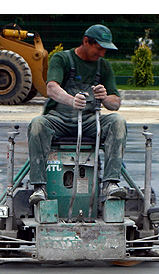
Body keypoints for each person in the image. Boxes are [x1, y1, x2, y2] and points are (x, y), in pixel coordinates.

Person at [27, 24, 127, 205]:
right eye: (99, 48)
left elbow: (115, 103)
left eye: (105, 49)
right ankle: (39, 187)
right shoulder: (62, 59)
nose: (102, 53)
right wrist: (71, 100)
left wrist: (104, 97)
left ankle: (110, 183)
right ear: (86, 41)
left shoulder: (103, 66)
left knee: (117, 122)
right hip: (59, 120)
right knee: (37, 124)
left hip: (89, 121)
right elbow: (52, 88)